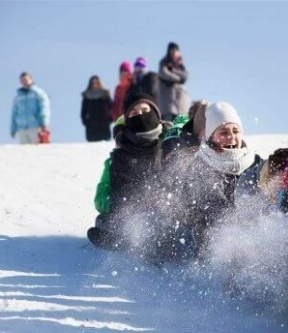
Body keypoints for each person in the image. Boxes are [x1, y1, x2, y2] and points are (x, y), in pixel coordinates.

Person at [170, 101, 262, 252]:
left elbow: (267, 192)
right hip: (213, 240)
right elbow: (214, 204)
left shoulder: (254, 162)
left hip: (250, 236)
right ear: (211, 137)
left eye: (235, 131)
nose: (231, 137)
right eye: (224, 132)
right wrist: (243, 226)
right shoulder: (201, 165)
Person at [87, 92, 164, 250]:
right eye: (134, 113)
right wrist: (118, 204)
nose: (141, 116)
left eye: (145, 110)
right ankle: (125, 241)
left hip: (160, 210)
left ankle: (154, 243)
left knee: (158, 219)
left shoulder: (168, 145)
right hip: (128, 213)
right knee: (105, 220)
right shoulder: (115, 162)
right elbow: (101, 197)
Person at [10, 72, 51, 144]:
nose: (24, 82)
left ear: (31, 80)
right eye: (22, 81)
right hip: (22, 129)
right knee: (24, 152)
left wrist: (44, 122)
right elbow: (14, 114)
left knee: (38, 151)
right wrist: (13, 129)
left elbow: (44, 107)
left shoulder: (38, 92)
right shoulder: (18, 97)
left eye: (26, 80)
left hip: (35, 126)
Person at [158, 42, 190, 120]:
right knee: (168, 128)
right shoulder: (164, 63)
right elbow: (164, 74)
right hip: (167, 107)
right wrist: (178, 78)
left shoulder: (181, 65)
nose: (174, 53)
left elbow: (185, 75)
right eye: (172, 51)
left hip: (181, 106)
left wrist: (173, 71)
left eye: (176, 51)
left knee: (181, 129)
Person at [81, 75, 113, 142]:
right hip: (92, 125)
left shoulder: (105, 94)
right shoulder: (87, 96)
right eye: (93, 83)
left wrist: (110, 119)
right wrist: (85, 121)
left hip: (104, 124)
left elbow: (111, 107)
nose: (95, 84)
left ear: (99, 83)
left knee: (104, 146)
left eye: (96, 82)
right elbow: (83, 111)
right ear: (90, 84)